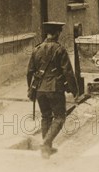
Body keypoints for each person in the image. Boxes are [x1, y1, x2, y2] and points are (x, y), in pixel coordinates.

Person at [27, 22, 78, 159]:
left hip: (39, 90)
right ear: (56, 33)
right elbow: (68, 72)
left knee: (45, 116)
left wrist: (30, 89)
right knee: (60, 117)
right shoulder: (59, 49)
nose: (59, 35)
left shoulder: (36, 49)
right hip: (54, 89)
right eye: (59, 33)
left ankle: (46, 149)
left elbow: (29, 72)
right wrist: (75, 90)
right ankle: (46, 143)